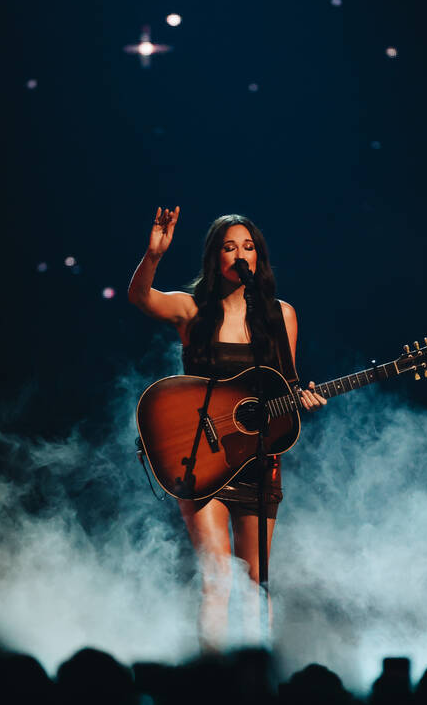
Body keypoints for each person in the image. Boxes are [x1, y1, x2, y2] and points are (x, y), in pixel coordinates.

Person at [128, 206, 327, 650]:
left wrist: (303, 400)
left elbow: (284, 387)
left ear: (260, 258)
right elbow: (141, 298)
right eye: (230, 246)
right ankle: (211, 686)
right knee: (218, 580)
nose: (242, 254)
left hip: (258, 459)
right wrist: (153, 255)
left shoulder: (281, 316)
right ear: (215, 258)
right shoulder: (192, 310)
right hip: (201, 456)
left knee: (257, 583)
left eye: (249, 247)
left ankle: (260, 685)